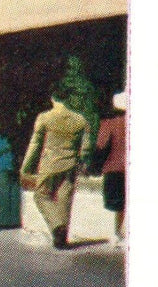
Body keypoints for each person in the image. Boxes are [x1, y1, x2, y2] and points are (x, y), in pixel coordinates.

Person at [21, 85, 93, 249]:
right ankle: (61, 239)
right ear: (67, 99)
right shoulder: (80, 120)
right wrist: (83, 161)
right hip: (70, 164)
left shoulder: (44, 118)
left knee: (40, 196)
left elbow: (35, 144)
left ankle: (57, 227)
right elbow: (86, 146)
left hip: (49, 164)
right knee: (64, 199)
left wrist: (26, 166)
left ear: (53, 99)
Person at [96, 91, 127, 247]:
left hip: (114, 167)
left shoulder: (109, 123)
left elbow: (101, 145)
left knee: (117, 204)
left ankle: (117, 233)